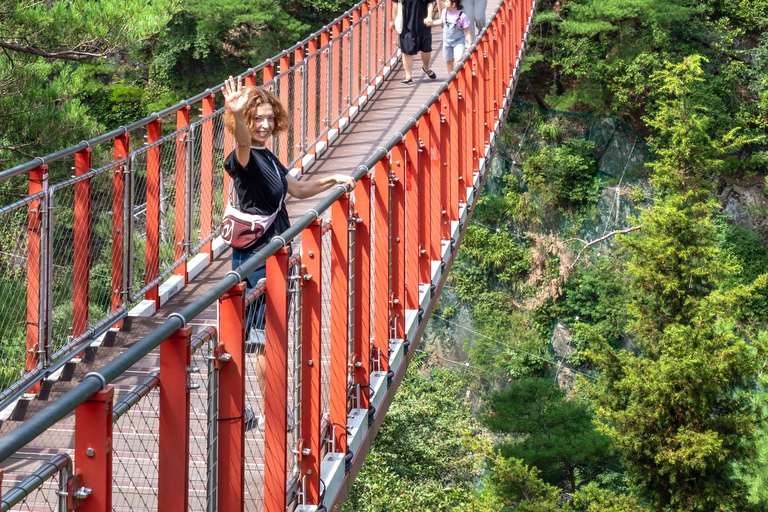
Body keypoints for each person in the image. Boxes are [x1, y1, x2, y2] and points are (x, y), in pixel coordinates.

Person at [222, 76, 355, 429]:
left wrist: (332, 180)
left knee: (263, 339)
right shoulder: (246, 157)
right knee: (263, 340)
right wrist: (235, 117)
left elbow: (294, 189)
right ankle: (270, 412)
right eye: (257, 119)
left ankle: (250, 410)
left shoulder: (268, 156)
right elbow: (240, 145)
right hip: (259, 260)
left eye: (269, 118)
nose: (265, 125)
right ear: (246, 123)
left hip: (275, 256)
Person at [390, 0, 438, 85]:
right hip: (406, 24)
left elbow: (430, 3)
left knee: (426, 50)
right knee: (407, 51)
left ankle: (426, 67)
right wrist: (393, 20)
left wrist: (429, 16)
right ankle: (408, 77)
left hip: (423, 23)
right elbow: (395, 4)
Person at [427, 0, 471, 73]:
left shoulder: (462, 16)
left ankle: (458, 75)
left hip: (458, 42)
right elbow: (442, 21)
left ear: (453, 4)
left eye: (446, 2)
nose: (444, 3)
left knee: (458, 59)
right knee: (449, 61)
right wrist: (432, 23)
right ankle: (451, 78)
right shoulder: (444, 12)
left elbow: (467, 30)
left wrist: (469, 43)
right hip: (447, 42)